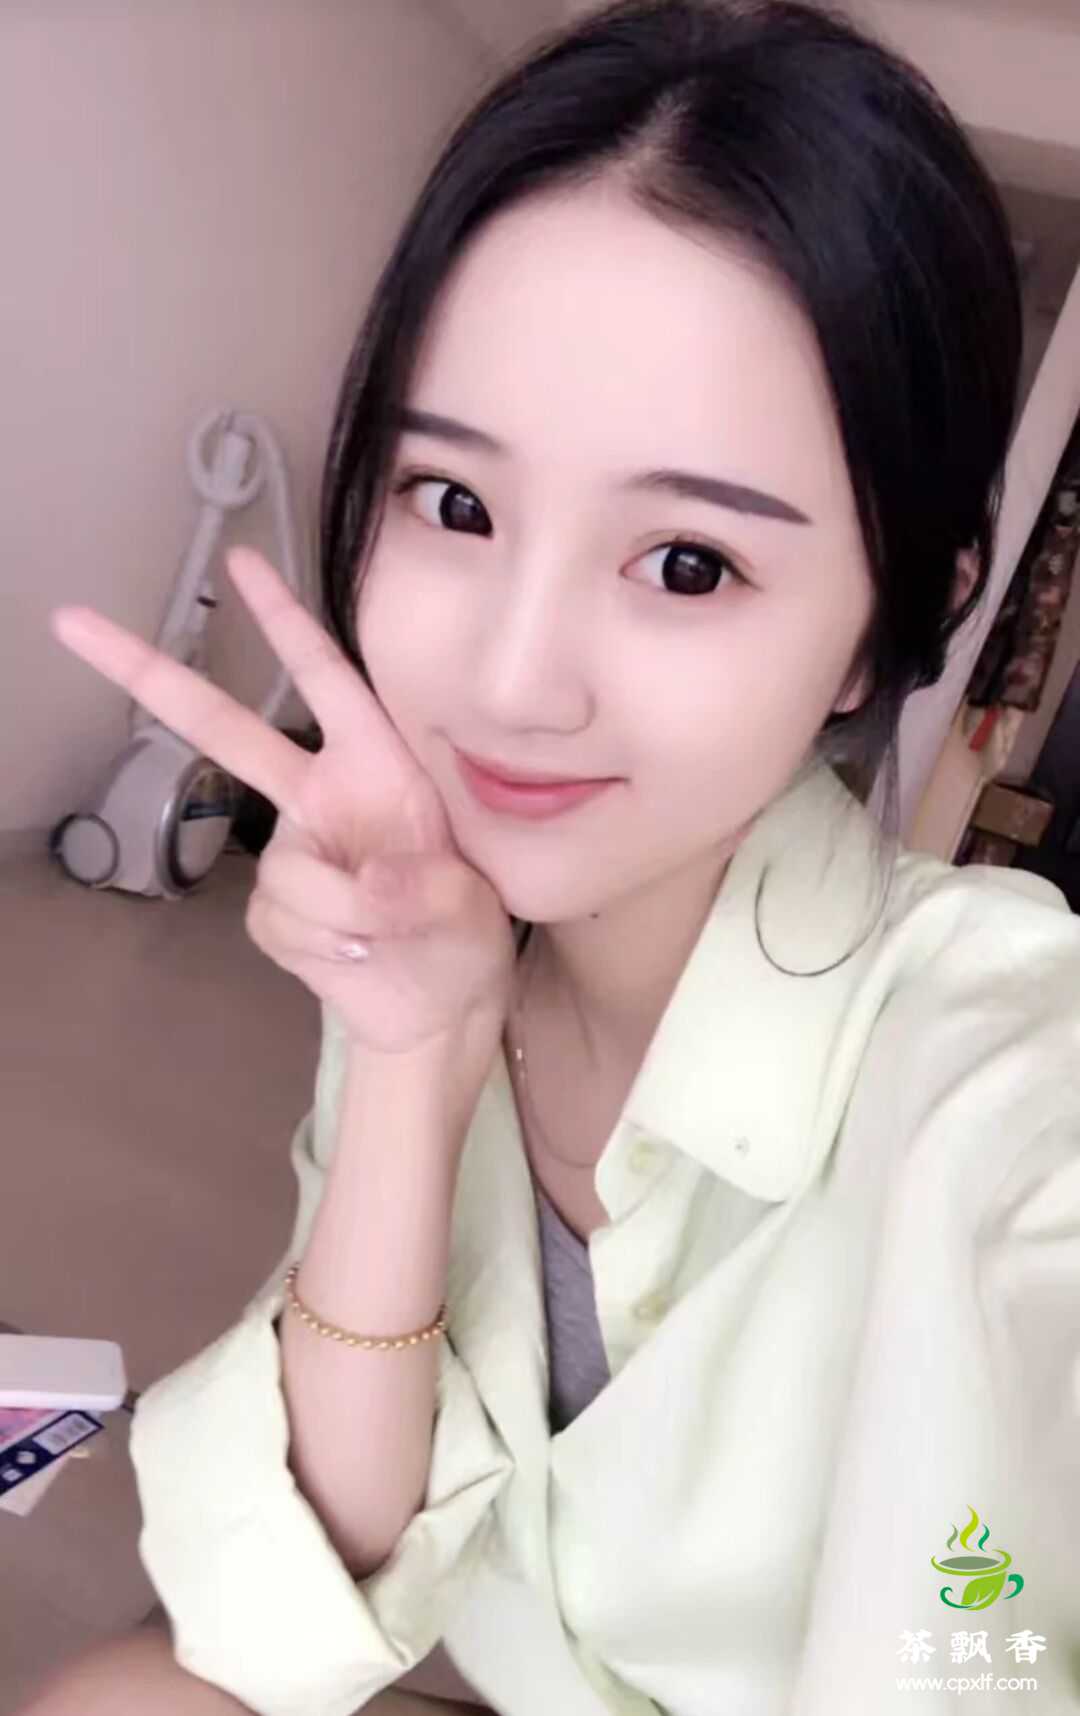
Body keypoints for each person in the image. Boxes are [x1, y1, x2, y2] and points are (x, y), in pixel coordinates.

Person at [23, 1, 1080, 1713]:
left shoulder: (1005, 1072)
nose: (511, 683)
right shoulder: (450, 937)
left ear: (901, 615)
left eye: (687, 564)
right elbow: (296, 1601)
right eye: (455, 504)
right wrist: (414, 1056)